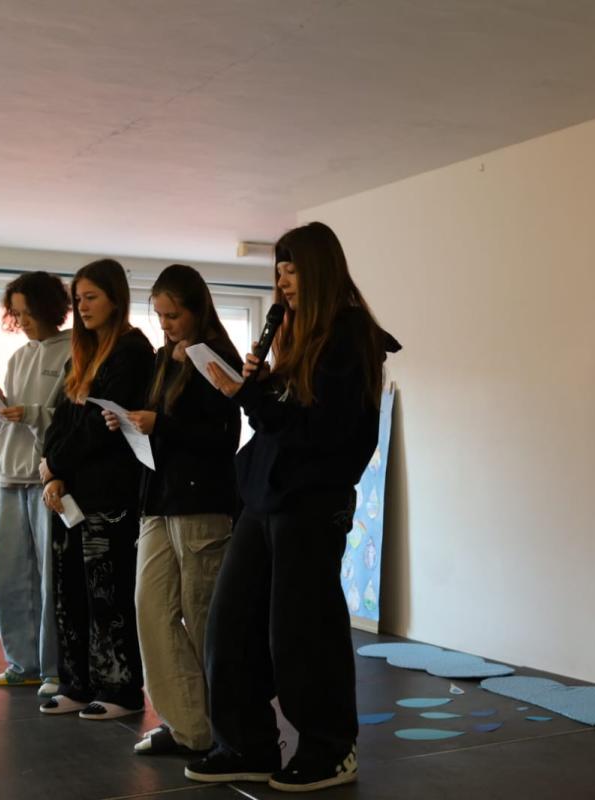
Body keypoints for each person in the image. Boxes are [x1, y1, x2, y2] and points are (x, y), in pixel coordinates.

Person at [189, 221, 400, 792]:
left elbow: (321, 431)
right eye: (278, 269)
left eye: (293, 269)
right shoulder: (296, 335)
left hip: (311, 503)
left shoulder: (350, 336)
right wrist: (258, 388)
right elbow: (285, 421)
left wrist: (251, 396)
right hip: (265, 499)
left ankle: (331, 748)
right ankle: (247, 744)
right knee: (231, 624)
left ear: (321, 270)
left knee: (303, 632)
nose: (282, 281)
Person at [104, 264, 242, 754]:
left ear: (197, 310)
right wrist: (129, 423)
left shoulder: (216, 357)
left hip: (200, 503)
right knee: (150, 608)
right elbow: (160, 424)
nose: (165, 325)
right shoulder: (164, 357)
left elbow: (224, 438)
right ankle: (188, 727)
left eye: (173, 315)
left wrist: (158, 424)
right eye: (160, 316)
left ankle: (231, 730)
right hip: (159, 499)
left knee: (202, 618)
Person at [40, 258, 154, 719]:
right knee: (69, 593)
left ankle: (121, 689)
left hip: (110, 495)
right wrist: (52, 471)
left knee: (108, 594)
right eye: (78, 299)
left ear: (115, 299)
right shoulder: (81, 354)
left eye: (91, 298)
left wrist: (56, 463)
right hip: (71, 493)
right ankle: (77, 682)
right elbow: (60, 421)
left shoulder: (132, 351)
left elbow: (99, 427)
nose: (82, 307)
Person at [0, 271, 72, 691]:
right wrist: (1, 410)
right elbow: (8, 422)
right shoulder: (18, 358)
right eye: (16, 313)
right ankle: (22, 663)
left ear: (48, 309)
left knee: (48, 579)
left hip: (44, 479)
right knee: (9, 578)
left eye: (27, 313)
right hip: (9, 475)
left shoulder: (73, 351)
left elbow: (72, 419)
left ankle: (54, 667)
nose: (21, 321)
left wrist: (32, 414)